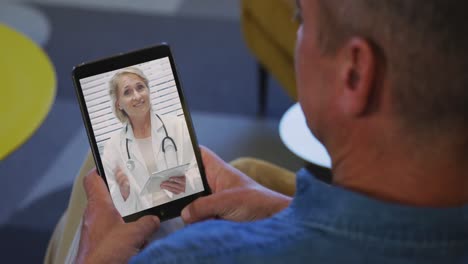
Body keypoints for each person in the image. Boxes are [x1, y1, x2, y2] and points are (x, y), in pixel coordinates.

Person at [46, 0, 468, 263]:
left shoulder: (194, 257)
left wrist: (93, 258)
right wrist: (285, 212)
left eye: (301, 17)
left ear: (354, 73)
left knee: (83, 209)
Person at [102, 67, 203, 217]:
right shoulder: (113, 147)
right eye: (127, 92)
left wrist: (188, 183)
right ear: (118, 104)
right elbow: (113, 206)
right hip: (145, 221)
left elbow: (201, 171)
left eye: (140, 87)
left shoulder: (178, 126)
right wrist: (124, 193)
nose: (137, 96)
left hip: (184, 210)